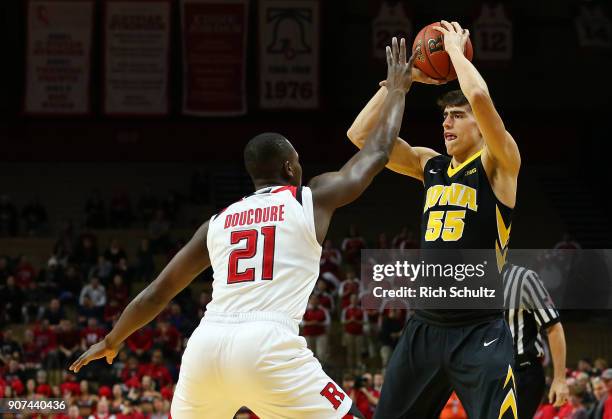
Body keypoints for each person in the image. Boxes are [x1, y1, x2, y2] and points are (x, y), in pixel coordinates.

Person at [70, 37, 415, 419]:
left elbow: (157, 292)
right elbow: (377, 153)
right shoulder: (308, 198)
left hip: (206, 346)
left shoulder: (216, 223)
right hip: (267, 343)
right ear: (289, 168)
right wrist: (397, 90)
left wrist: (112, 339)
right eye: (297, 161)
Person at [348, 21, 521, 419]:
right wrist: (398, 85)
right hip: (424, 327)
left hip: (479, 328)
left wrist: (456, 52)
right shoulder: (431, 165)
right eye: (445, 116)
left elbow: (477, 93)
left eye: (457, 116)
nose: (446, 123)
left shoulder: (500, 164)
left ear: (480, 124)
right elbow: (360, 136)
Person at [503, 263, 569, 417]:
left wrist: (559, 379)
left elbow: (553, 327)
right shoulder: (472, 280)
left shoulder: (524, 278)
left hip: (522, 370)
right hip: (486, 372)